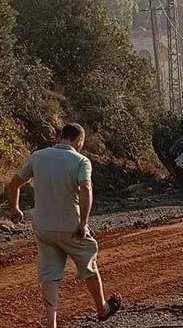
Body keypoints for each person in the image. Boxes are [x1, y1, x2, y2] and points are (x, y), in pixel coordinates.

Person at [5, 123, 121, 328]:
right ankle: (102, 309)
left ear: (61, 136)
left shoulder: (38, 156)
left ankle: (52, 324)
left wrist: (15, 209)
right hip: (70, 228)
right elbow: (86, 189)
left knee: (50, 275)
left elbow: (13, 184)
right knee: (89, 263)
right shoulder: (81, 161)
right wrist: (83, 223)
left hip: (43, 227)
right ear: (79, 141)